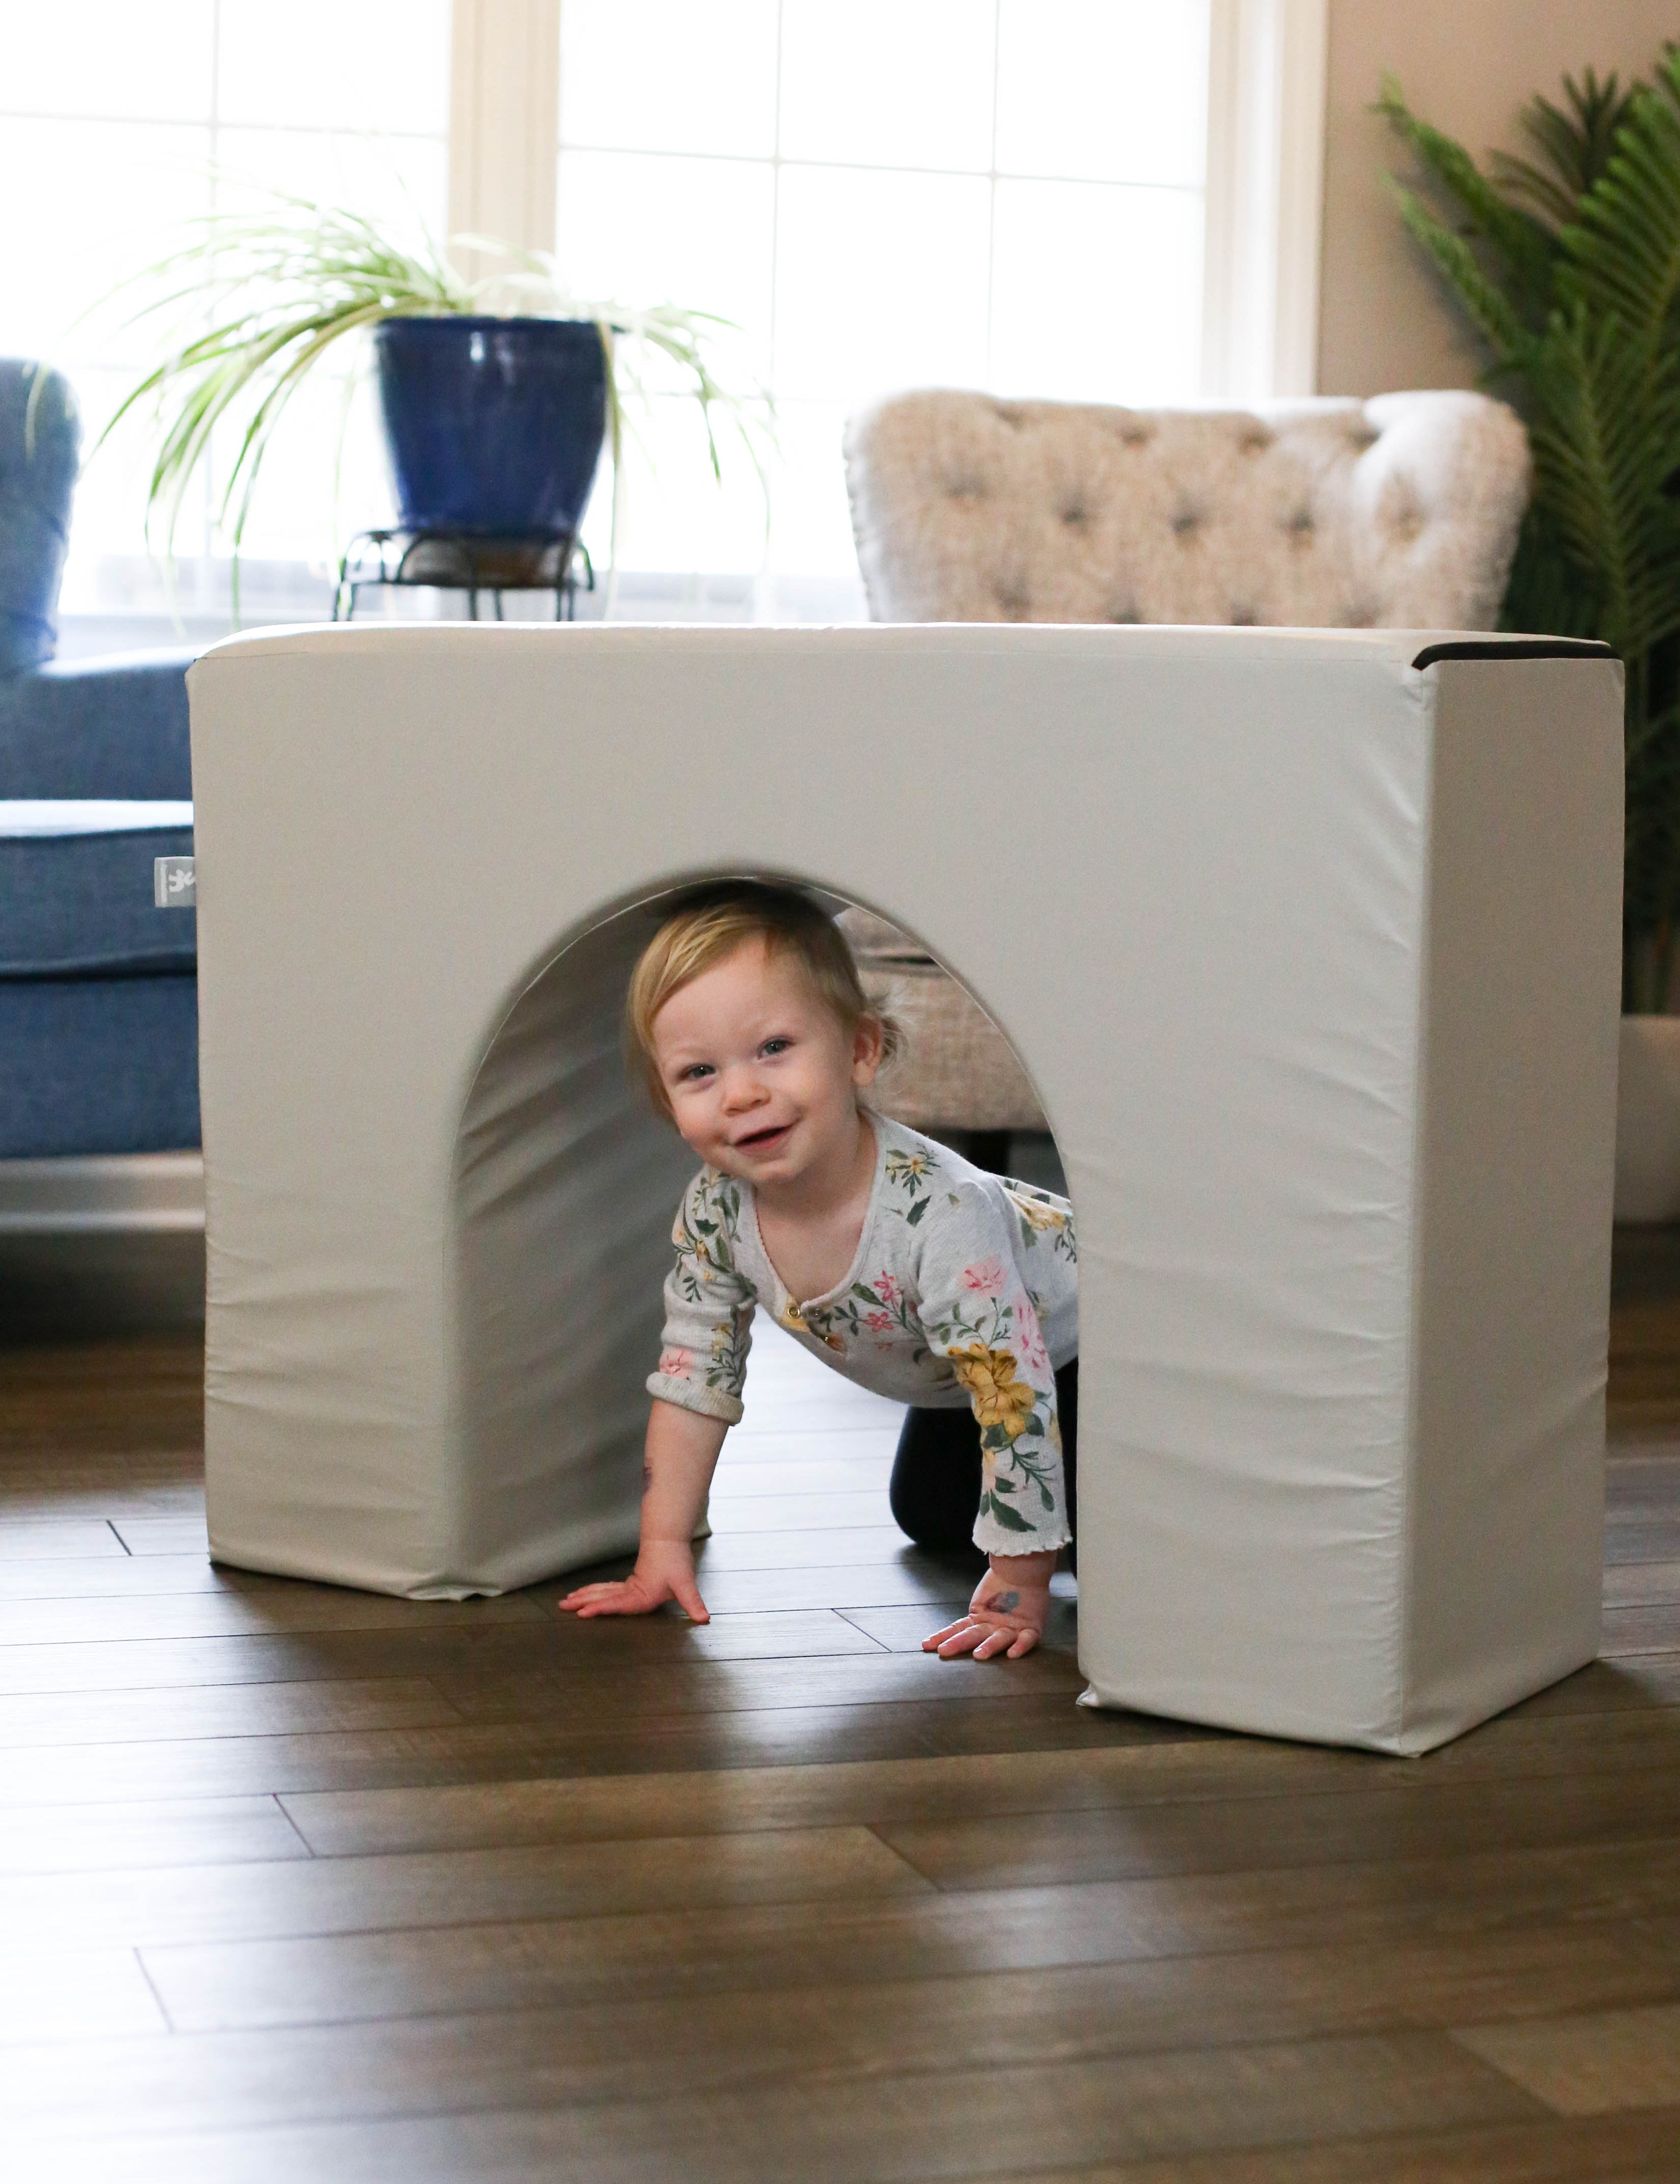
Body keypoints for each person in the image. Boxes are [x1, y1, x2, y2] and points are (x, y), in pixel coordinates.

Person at [557, 881, 1078, 1660]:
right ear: (667, 1102)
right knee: (933, 1516)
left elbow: (1016, 1394)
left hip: (1084, 1349)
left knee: (1092, 1534)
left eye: (774, 1048)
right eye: (699, 1072)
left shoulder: (943, 1215)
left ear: (860, 1050)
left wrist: (1019, 1586)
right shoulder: (715, 1209)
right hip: (952, 1375)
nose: (742, 1092)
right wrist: (662, 1545)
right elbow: (693, 1372)